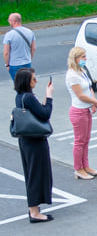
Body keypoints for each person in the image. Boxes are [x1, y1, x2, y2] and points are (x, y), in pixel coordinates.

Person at [14, 68, 55, 222]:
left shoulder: (20, 96)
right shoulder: (29, 98)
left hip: (26, 140)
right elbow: (45, 114)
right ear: (26, 81)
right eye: (33, 79)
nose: (36, 81)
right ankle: (34, 212)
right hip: (35, 141)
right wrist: (49, 96)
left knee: (32, 173)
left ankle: (34, 209)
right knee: (36, 174)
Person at [65, 47, 97, 180]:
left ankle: (86, 166)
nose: (85, 59)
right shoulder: (72, 76)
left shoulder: (81, 71)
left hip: (86, 110)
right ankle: (78, 168)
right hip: (78, 111)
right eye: (83, 57)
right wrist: (95, 101)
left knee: (86, 140)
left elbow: (89, 87)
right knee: (79, 141)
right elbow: (80, 95)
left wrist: (92, 102)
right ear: (75, 59)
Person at [4, 13, 36, 80]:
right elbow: (33, 48)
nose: (9, 22)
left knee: (19, 86)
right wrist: (29, 58)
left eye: (9, 20)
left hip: (15, 65)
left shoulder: (9, 35)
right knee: (27, 85)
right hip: (27, 63)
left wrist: (7, 64)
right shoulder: (30, 32)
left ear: (14, 21)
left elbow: (6, 52)